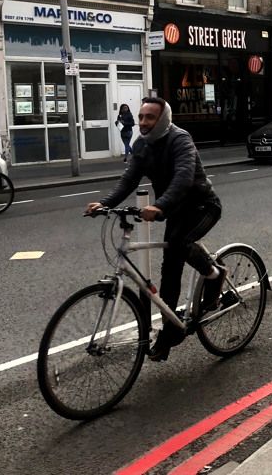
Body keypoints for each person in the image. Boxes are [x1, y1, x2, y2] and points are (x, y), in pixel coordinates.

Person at [85, 97, 224, 361]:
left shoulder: (180, 140)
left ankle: (213, 274)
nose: (143, 123)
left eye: (150, 117)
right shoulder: (142, 146)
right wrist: (104, 204)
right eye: (141, 117)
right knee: (169, 270)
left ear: (163, 119)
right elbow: (128, 181)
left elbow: (183, 178)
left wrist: (159, 206)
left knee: (178, 244)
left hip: (202, 206)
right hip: (175, 211)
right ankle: (171, 331)